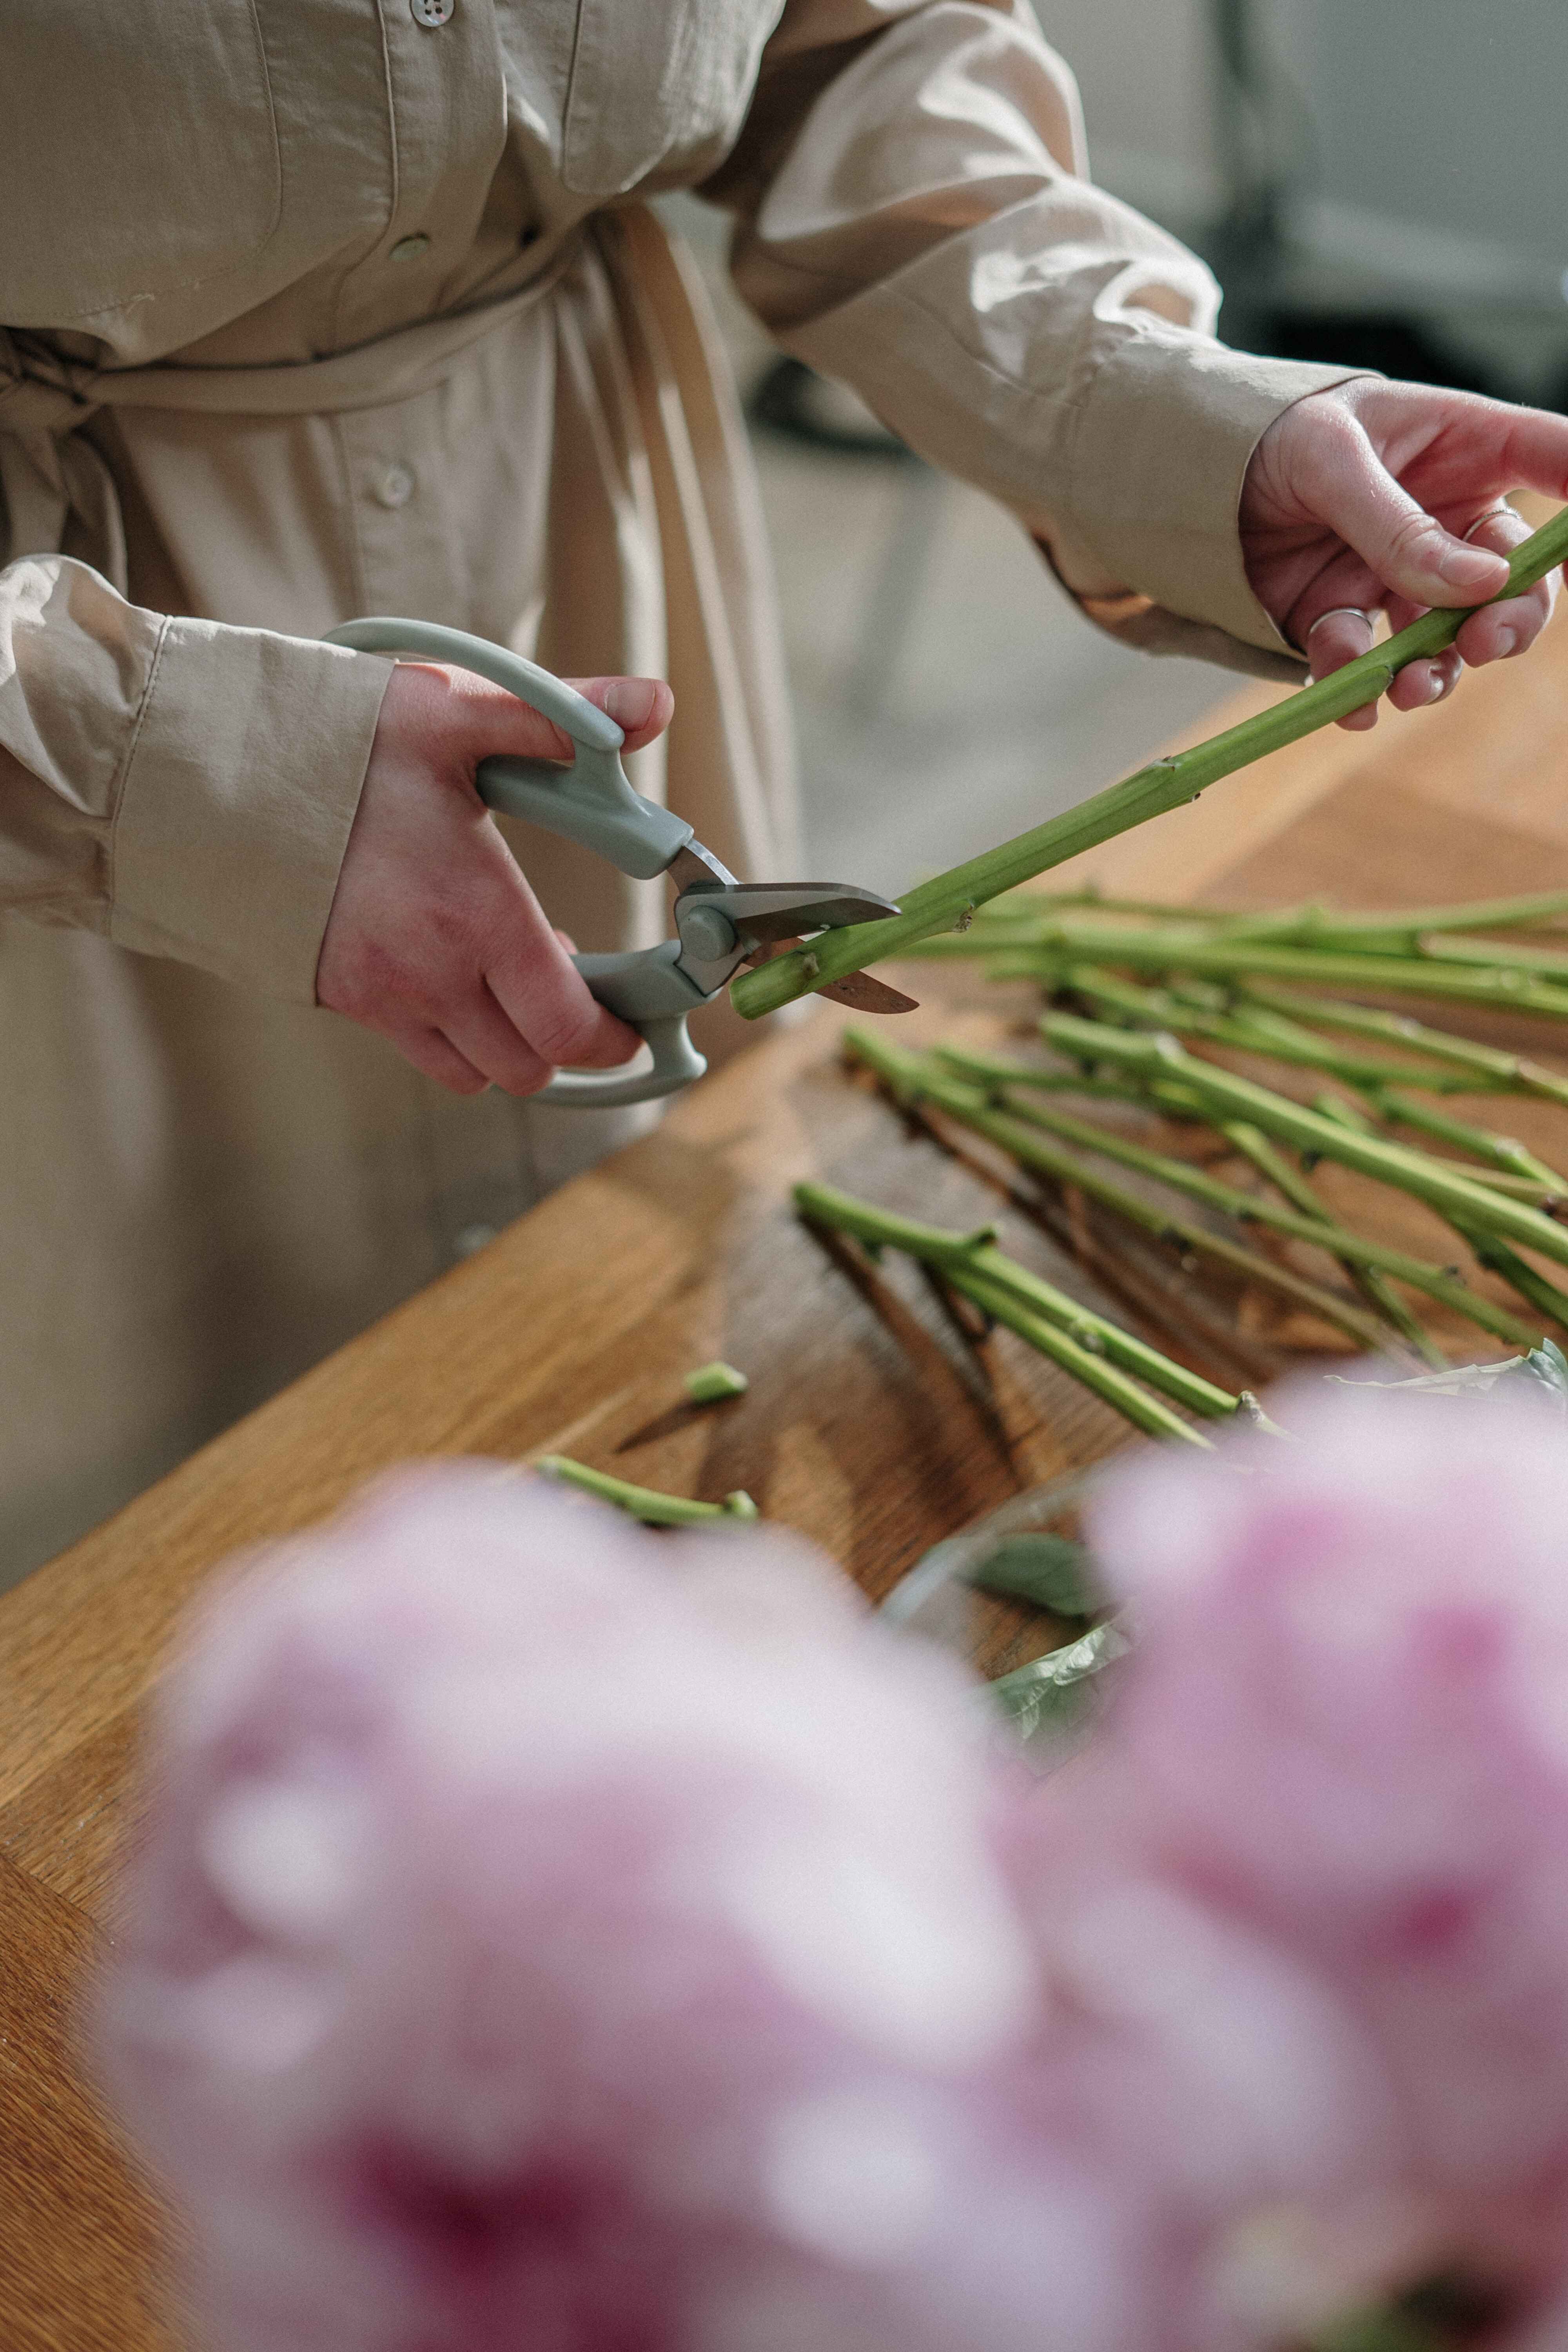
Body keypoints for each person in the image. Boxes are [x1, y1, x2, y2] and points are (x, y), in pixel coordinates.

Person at [4, 0, 1566, 1577]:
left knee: (616, 1335)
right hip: (52, 742)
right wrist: (171, 768)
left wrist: (1167, 412)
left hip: (578, 520)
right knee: (131, 1547)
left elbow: (862, 50)